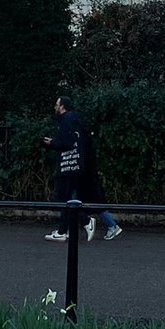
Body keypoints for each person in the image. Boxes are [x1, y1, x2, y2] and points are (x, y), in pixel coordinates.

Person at [42, 95, 121, 242]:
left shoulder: (67, 121)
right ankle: (67, 229)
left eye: (56, 104)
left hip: (72, 166)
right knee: (79, 199)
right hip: (82, 166)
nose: (54, 107)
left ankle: (83, 223)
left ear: (62, 106)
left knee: (71, 199)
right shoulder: (77, 121)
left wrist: (52, 143)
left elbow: (67, 142)